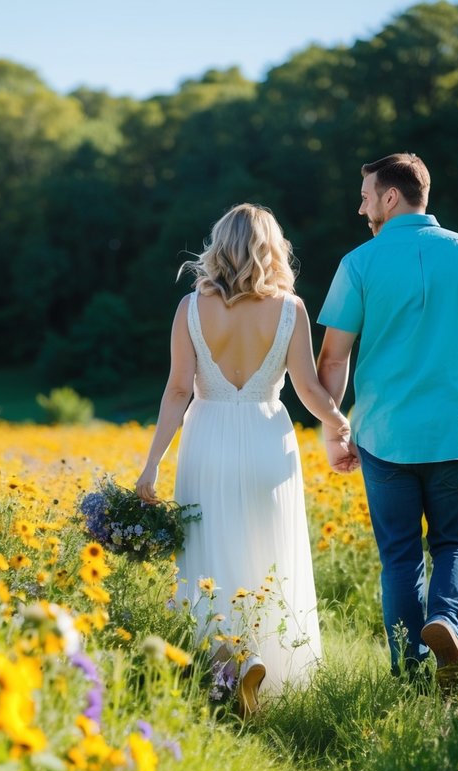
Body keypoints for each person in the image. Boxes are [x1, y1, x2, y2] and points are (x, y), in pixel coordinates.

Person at [136, 203, 356, 718]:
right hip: (265, 439)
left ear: (219, 246)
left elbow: (176, 391)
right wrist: (338, 423)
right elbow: (307, 388)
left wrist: (151, 467)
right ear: (271, 248)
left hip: (207, 439)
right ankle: (271, 672)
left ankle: (226, 667)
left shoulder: (191, 308)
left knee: (208, 556)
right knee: (268, 557)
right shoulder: (290, 308)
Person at [315, 153, 458, 691]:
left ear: (389, 197)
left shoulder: (358, 264)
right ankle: (445, 622)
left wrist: (333, 429)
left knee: (400, 556)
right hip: (457, 435)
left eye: (365, 195)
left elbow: (333, 359)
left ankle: (409, 672)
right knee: (457, 544)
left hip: (384, 437)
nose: (360, 207)